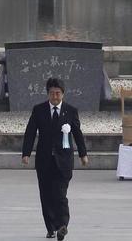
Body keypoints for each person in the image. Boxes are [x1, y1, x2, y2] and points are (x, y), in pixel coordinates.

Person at [22, 77, 88, 240]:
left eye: (58, 93)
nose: (55, 97)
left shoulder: (70, 111)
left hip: (63, 161)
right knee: (46, 195)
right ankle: (51, 227)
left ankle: (62, 225)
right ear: (47, 94)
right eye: (52, 93)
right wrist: (26, 153)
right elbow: (30, 132)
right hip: (44, 160)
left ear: (63, 94)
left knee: (60, 194)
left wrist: (83, 154)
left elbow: (78, 134)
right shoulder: (39, 110)